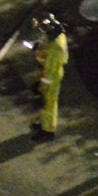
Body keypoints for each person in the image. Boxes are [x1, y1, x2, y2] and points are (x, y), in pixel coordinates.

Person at [30, 13, 68, 142]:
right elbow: (46, 56)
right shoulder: (57, 36)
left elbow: (49, 67)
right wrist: (38, 52)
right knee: (45, 103)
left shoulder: (56, 47)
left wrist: (42, 83)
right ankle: (42, 123)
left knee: (48, 104)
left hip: (51, 78)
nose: (42, 32)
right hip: (50, 74)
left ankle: (47, 131)